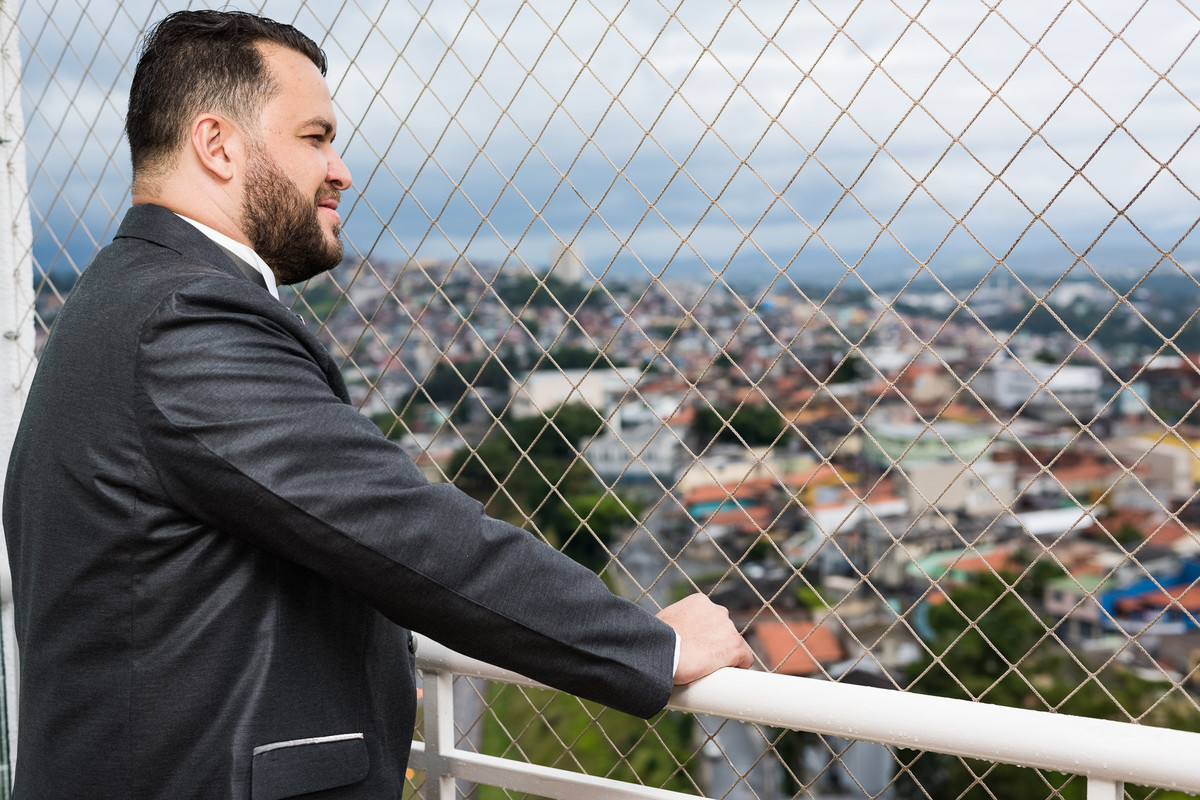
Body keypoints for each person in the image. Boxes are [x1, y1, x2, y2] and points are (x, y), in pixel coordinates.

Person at [2, 9, 754, 799]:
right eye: (315, 136)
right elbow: (400, 528)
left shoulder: (115, 296)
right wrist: (650, 647)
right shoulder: (185, 322)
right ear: (217, 145)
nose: (342, 170)